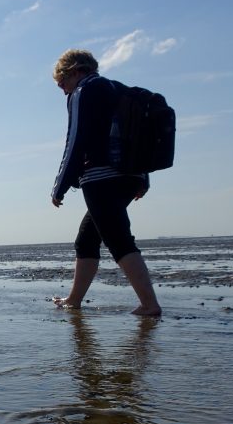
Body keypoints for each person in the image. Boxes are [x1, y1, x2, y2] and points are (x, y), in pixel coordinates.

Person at [50, 49, 162, 317]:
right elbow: (138, 137)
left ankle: (150, 305)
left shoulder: (84, 90)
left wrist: (60, 185)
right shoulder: (120, 90)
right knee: (87, 239)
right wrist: (142, 179)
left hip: (101, 177)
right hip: (129, 176)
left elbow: (75, 139)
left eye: (61, 83)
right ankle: (74, 300)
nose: (63, 90)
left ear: (75, 71)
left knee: (118, 239)